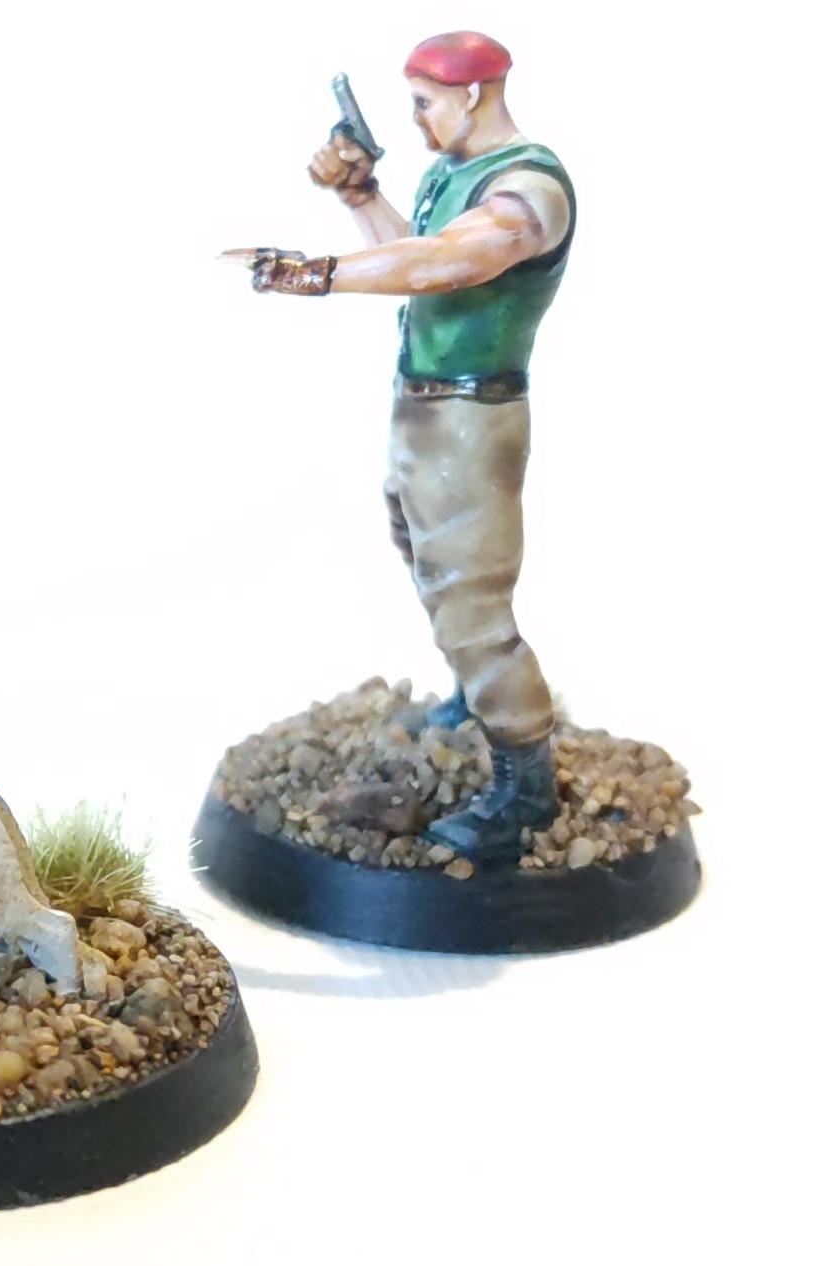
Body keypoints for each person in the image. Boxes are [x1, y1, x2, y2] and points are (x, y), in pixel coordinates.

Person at [228, 30, 573, 859]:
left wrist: (315, 273)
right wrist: (360, 194)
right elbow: (407, 256)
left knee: (470, 594)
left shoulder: (530, 186)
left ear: (473, 94)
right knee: (428, 559)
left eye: (424, 103)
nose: (416, 120)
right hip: (427, 407)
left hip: (474, 415)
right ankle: (472, 693)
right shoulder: (449, 175)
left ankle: (526, 785)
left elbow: (448, 263)